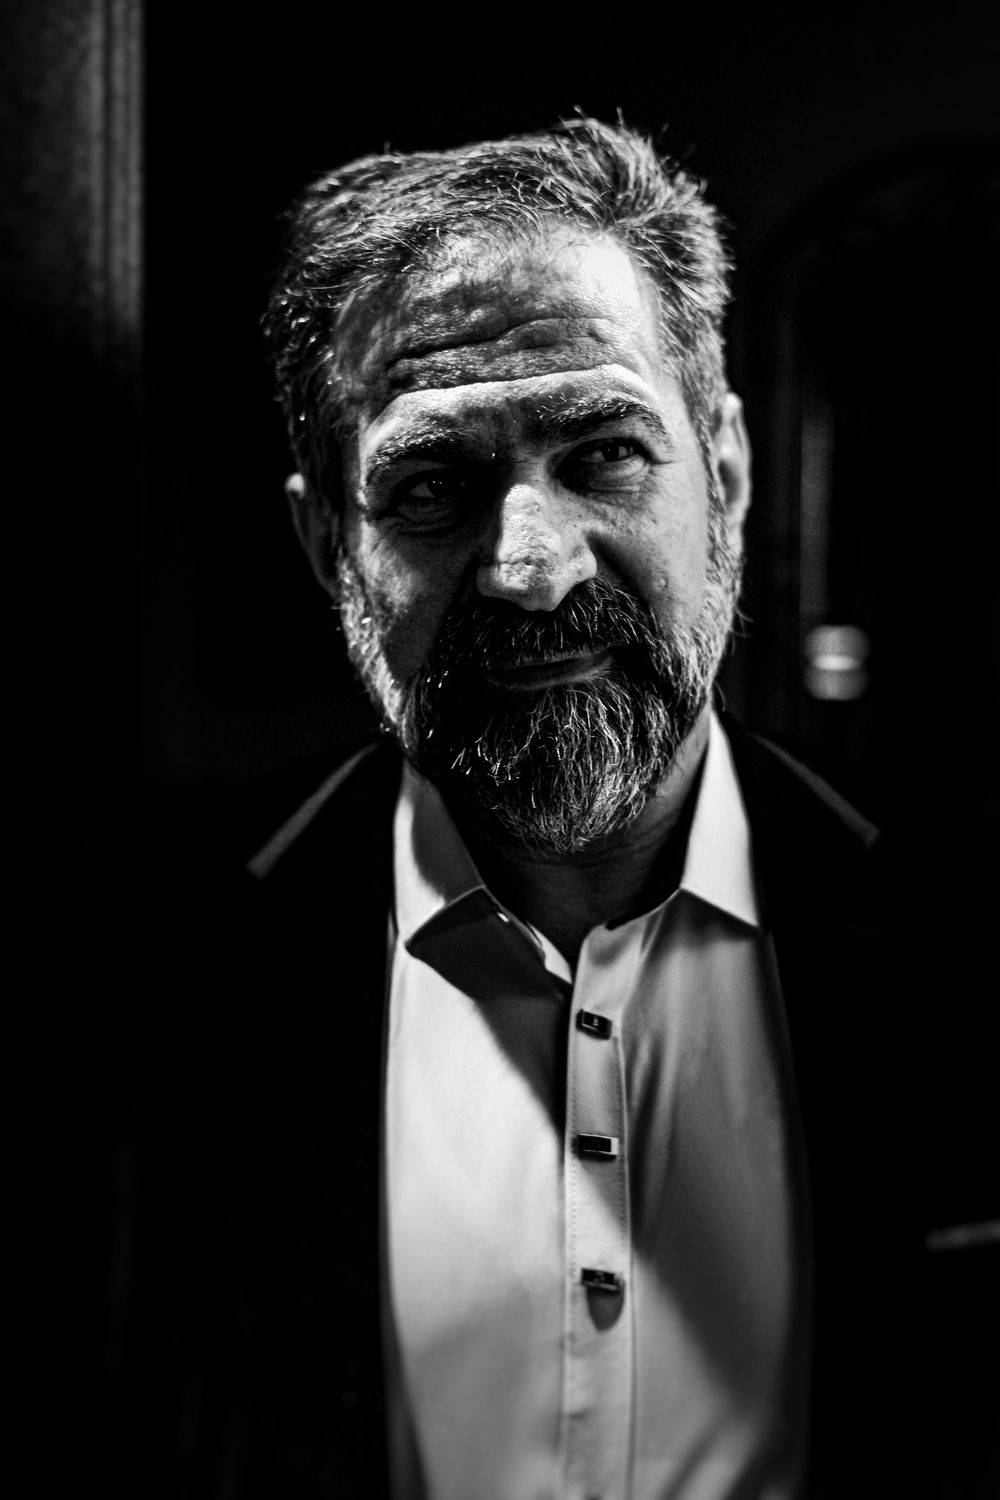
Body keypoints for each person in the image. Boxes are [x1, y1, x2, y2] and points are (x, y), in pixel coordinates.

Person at [130, 118, 997, 1500]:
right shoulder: (140, 967)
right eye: (433, 488)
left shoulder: (959, 929)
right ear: (325, 543)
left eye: (601, 454)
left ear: (725, 471)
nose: (529, 568)